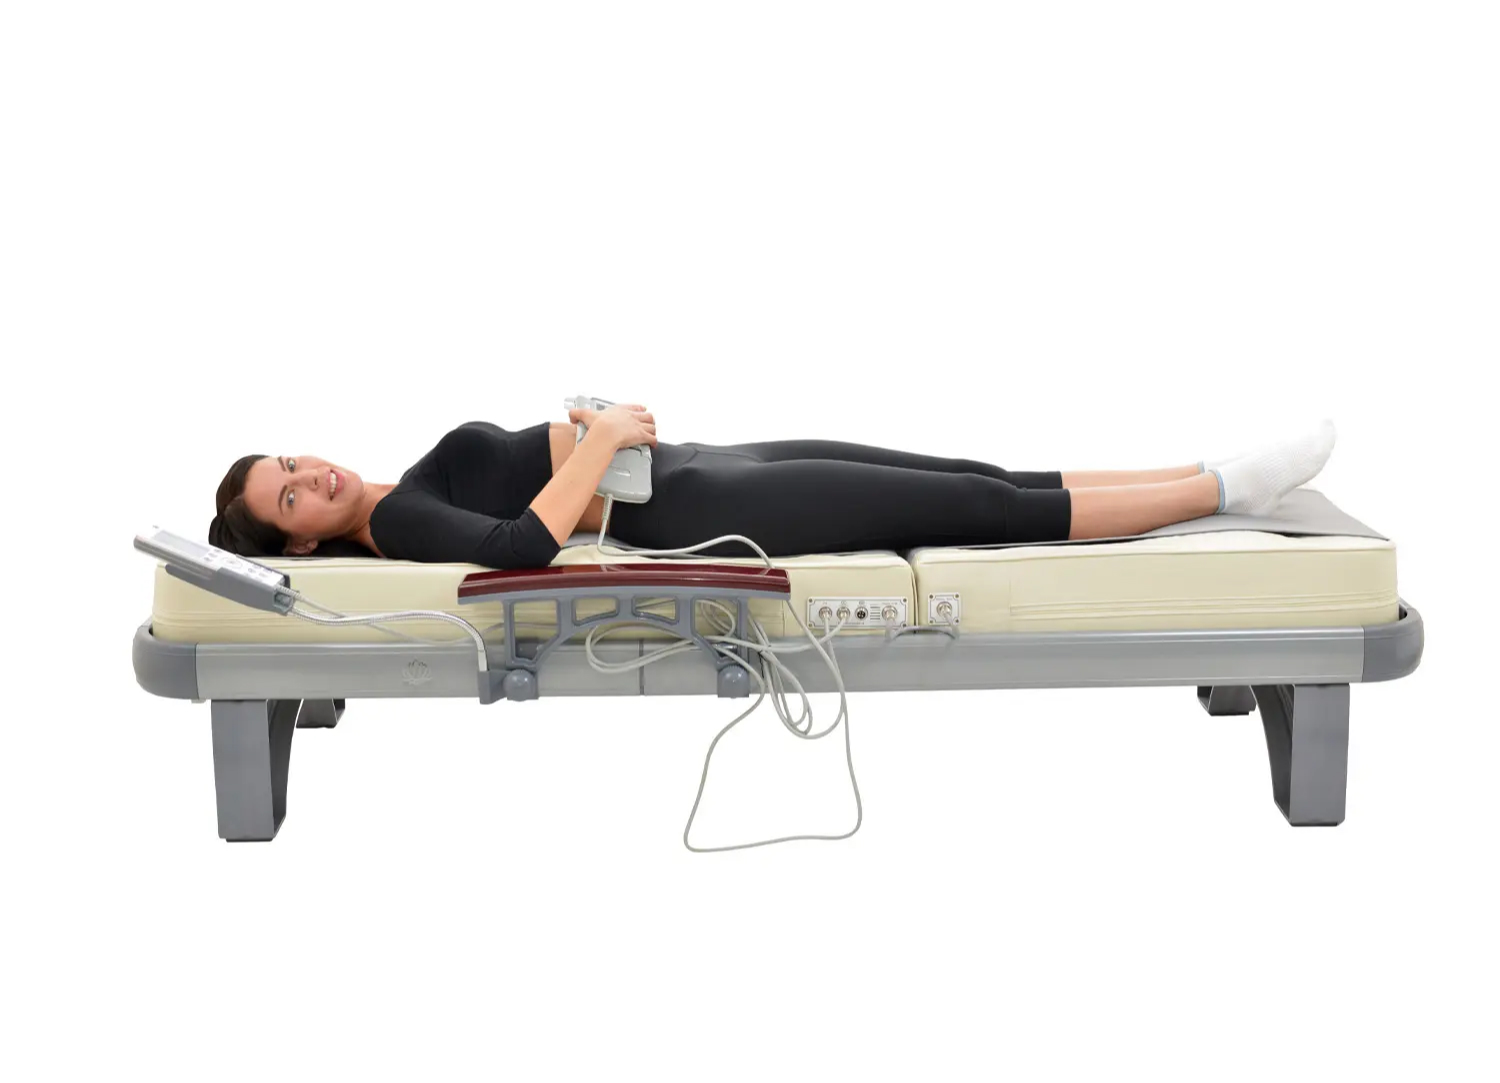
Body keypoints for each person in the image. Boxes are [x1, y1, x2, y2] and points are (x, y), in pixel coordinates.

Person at [207, 404, 1337, 568]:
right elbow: (519, 547)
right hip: (699, 511)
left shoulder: (400, 486)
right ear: (300, 542)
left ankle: (1203, 478)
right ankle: (1220, 491)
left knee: (968, 473)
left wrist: (601, 428)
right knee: (976, 510)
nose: (309, 477)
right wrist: (600, 441)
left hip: (701, 467)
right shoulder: (398, 522)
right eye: (289, 498)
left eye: (290, 465)